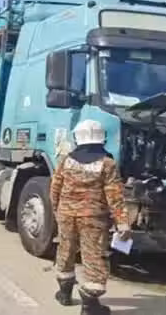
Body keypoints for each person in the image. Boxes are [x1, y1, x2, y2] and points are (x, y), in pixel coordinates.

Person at [50, 119, 131, 315]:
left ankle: (64, 293)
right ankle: (90, 305)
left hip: (66, 214)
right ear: (102, 138)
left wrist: (57, 211)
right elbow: (114, 195)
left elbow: (55, 188)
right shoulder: (107, 163)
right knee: (94, 256)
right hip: (93, 218)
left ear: (78, 138)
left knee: (65, 250)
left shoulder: (66, 160)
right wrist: (122, 223)